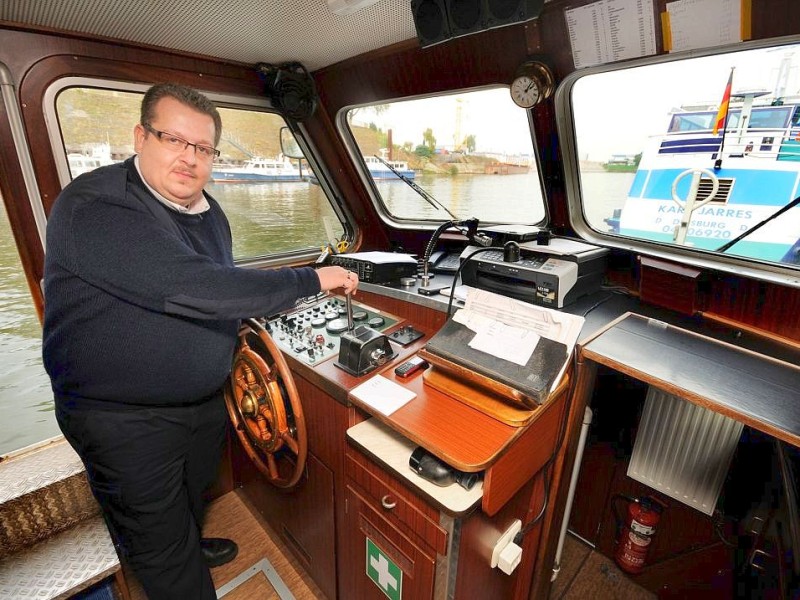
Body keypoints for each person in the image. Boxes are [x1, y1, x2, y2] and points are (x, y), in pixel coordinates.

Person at [42, 83, 358, 599]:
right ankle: (172, 556)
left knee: (189, 494)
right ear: (140, 137)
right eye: (173, 139)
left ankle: (185, 538)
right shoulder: (96, 206)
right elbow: (196, 286)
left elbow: (221, 282)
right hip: (121, 418)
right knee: (162, 555)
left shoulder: (208, 212)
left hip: (202, 403)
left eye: (204, 148)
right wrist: (312, 279)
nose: (190, 159)